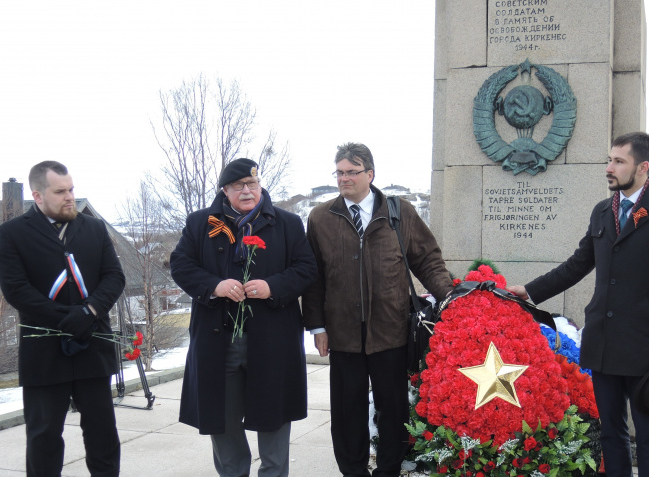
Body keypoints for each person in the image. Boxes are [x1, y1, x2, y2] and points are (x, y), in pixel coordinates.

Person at [506, 132, 649, 477]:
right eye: (609, 159)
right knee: (611, 434)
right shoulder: (602, 212)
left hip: (646, 350)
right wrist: (530, 291)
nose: (609, 168)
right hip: (603, 344)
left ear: (643, 167)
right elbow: (577, 264)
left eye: (618, 161)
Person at [302, 143, 453, 477]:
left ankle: (388, 469)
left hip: (391, 331)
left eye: (351, 172)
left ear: (370, 174)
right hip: (343, 335)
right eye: (339, 172)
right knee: (347, 412)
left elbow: (427, 260)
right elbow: (313, 278)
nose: (344, 178)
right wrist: (317, 327)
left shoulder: (400, 213)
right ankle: (354, 471)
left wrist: (450, 298)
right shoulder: (321, 218)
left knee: (393, 408)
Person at [170, 158, 317, 477]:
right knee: (221, 420)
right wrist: (215, 285)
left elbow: (307, 269)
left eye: (252, 184)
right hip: (217, 340)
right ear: (225, 190)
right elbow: (181, 265)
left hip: (272, 339)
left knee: (274, 415)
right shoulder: (200, 223)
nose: (248, 191)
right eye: (239, 186)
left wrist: (272, 286)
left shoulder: (287, 223)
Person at [0, 161, 126, 476]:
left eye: (71, 189)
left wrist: (89, 311)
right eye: (60, 191)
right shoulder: (12, 233)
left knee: (103, 434)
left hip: (92, 344)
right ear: (38, 196)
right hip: (44, 352)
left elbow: (114, 277)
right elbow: (16, 289)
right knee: (43, 437)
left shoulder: (93, 228)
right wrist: (65, 318)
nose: (70, 197)